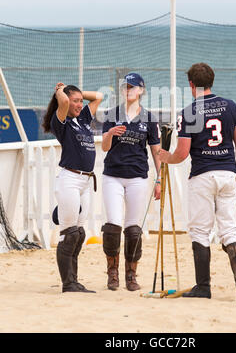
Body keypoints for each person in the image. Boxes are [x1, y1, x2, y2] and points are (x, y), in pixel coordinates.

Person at [159, 62, 236, 301]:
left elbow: (182, 153)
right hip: (228, 173)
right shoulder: (231, 106)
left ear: (191, 84)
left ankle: (203, 287)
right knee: (230, 230)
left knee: (200, 231)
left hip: (202, 175)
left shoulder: (188, 112)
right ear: (212, 80)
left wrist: (165, 157)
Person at [101, 72, 161, 292]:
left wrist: (160, 178)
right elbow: (105, 147)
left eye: (132, 87)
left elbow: (156, 152)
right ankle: (113, 273)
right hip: (113, 175)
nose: (128, 90)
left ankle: (131, 274)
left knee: (133, 228)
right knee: (113, 225)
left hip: (137, 177)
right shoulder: (111, 114)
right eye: (125, 86)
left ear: (141, 90)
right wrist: (109, 134)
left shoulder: (149, 117)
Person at [42, 83, 103, 293]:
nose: (78, 104)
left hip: (86, 182)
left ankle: (74, 280)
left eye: (80, 101)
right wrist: (60, 90)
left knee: (79, 232)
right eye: (74, 101)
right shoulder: (62, 122)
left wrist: (78, 93)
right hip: (70, 179)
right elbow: (65, 101)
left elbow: (99, 96)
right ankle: (67, 284)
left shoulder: (83, 119)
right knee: (68, 233)